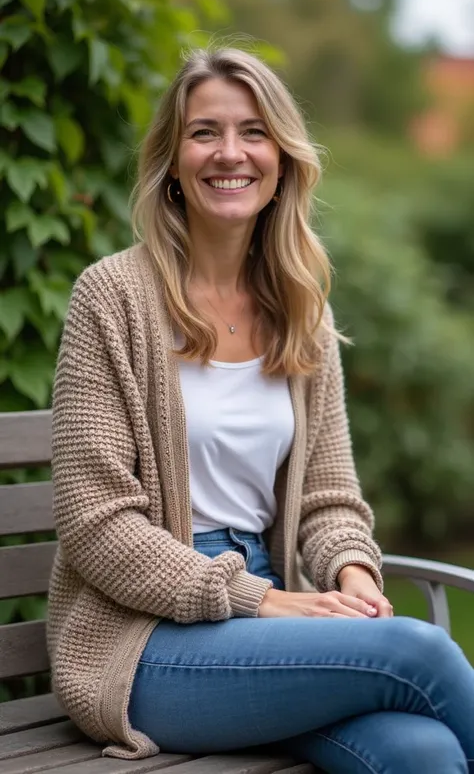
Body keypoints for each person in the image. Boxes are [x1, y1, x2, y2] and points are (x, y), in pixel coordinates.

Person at [48, 47, 474, 774]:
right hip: (146, 645)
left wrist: (354, 578)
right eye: (204, 131)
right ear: (172, 160)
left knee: (423, 753)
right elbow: (97, 526)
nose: (230, 153)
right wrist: (260, 599)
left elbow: (327, 498)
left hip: (271, 625)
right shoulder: (111, 297)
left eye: (253, 131)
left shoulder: (300, 307)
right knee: (419, 650)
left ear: (282, 157)